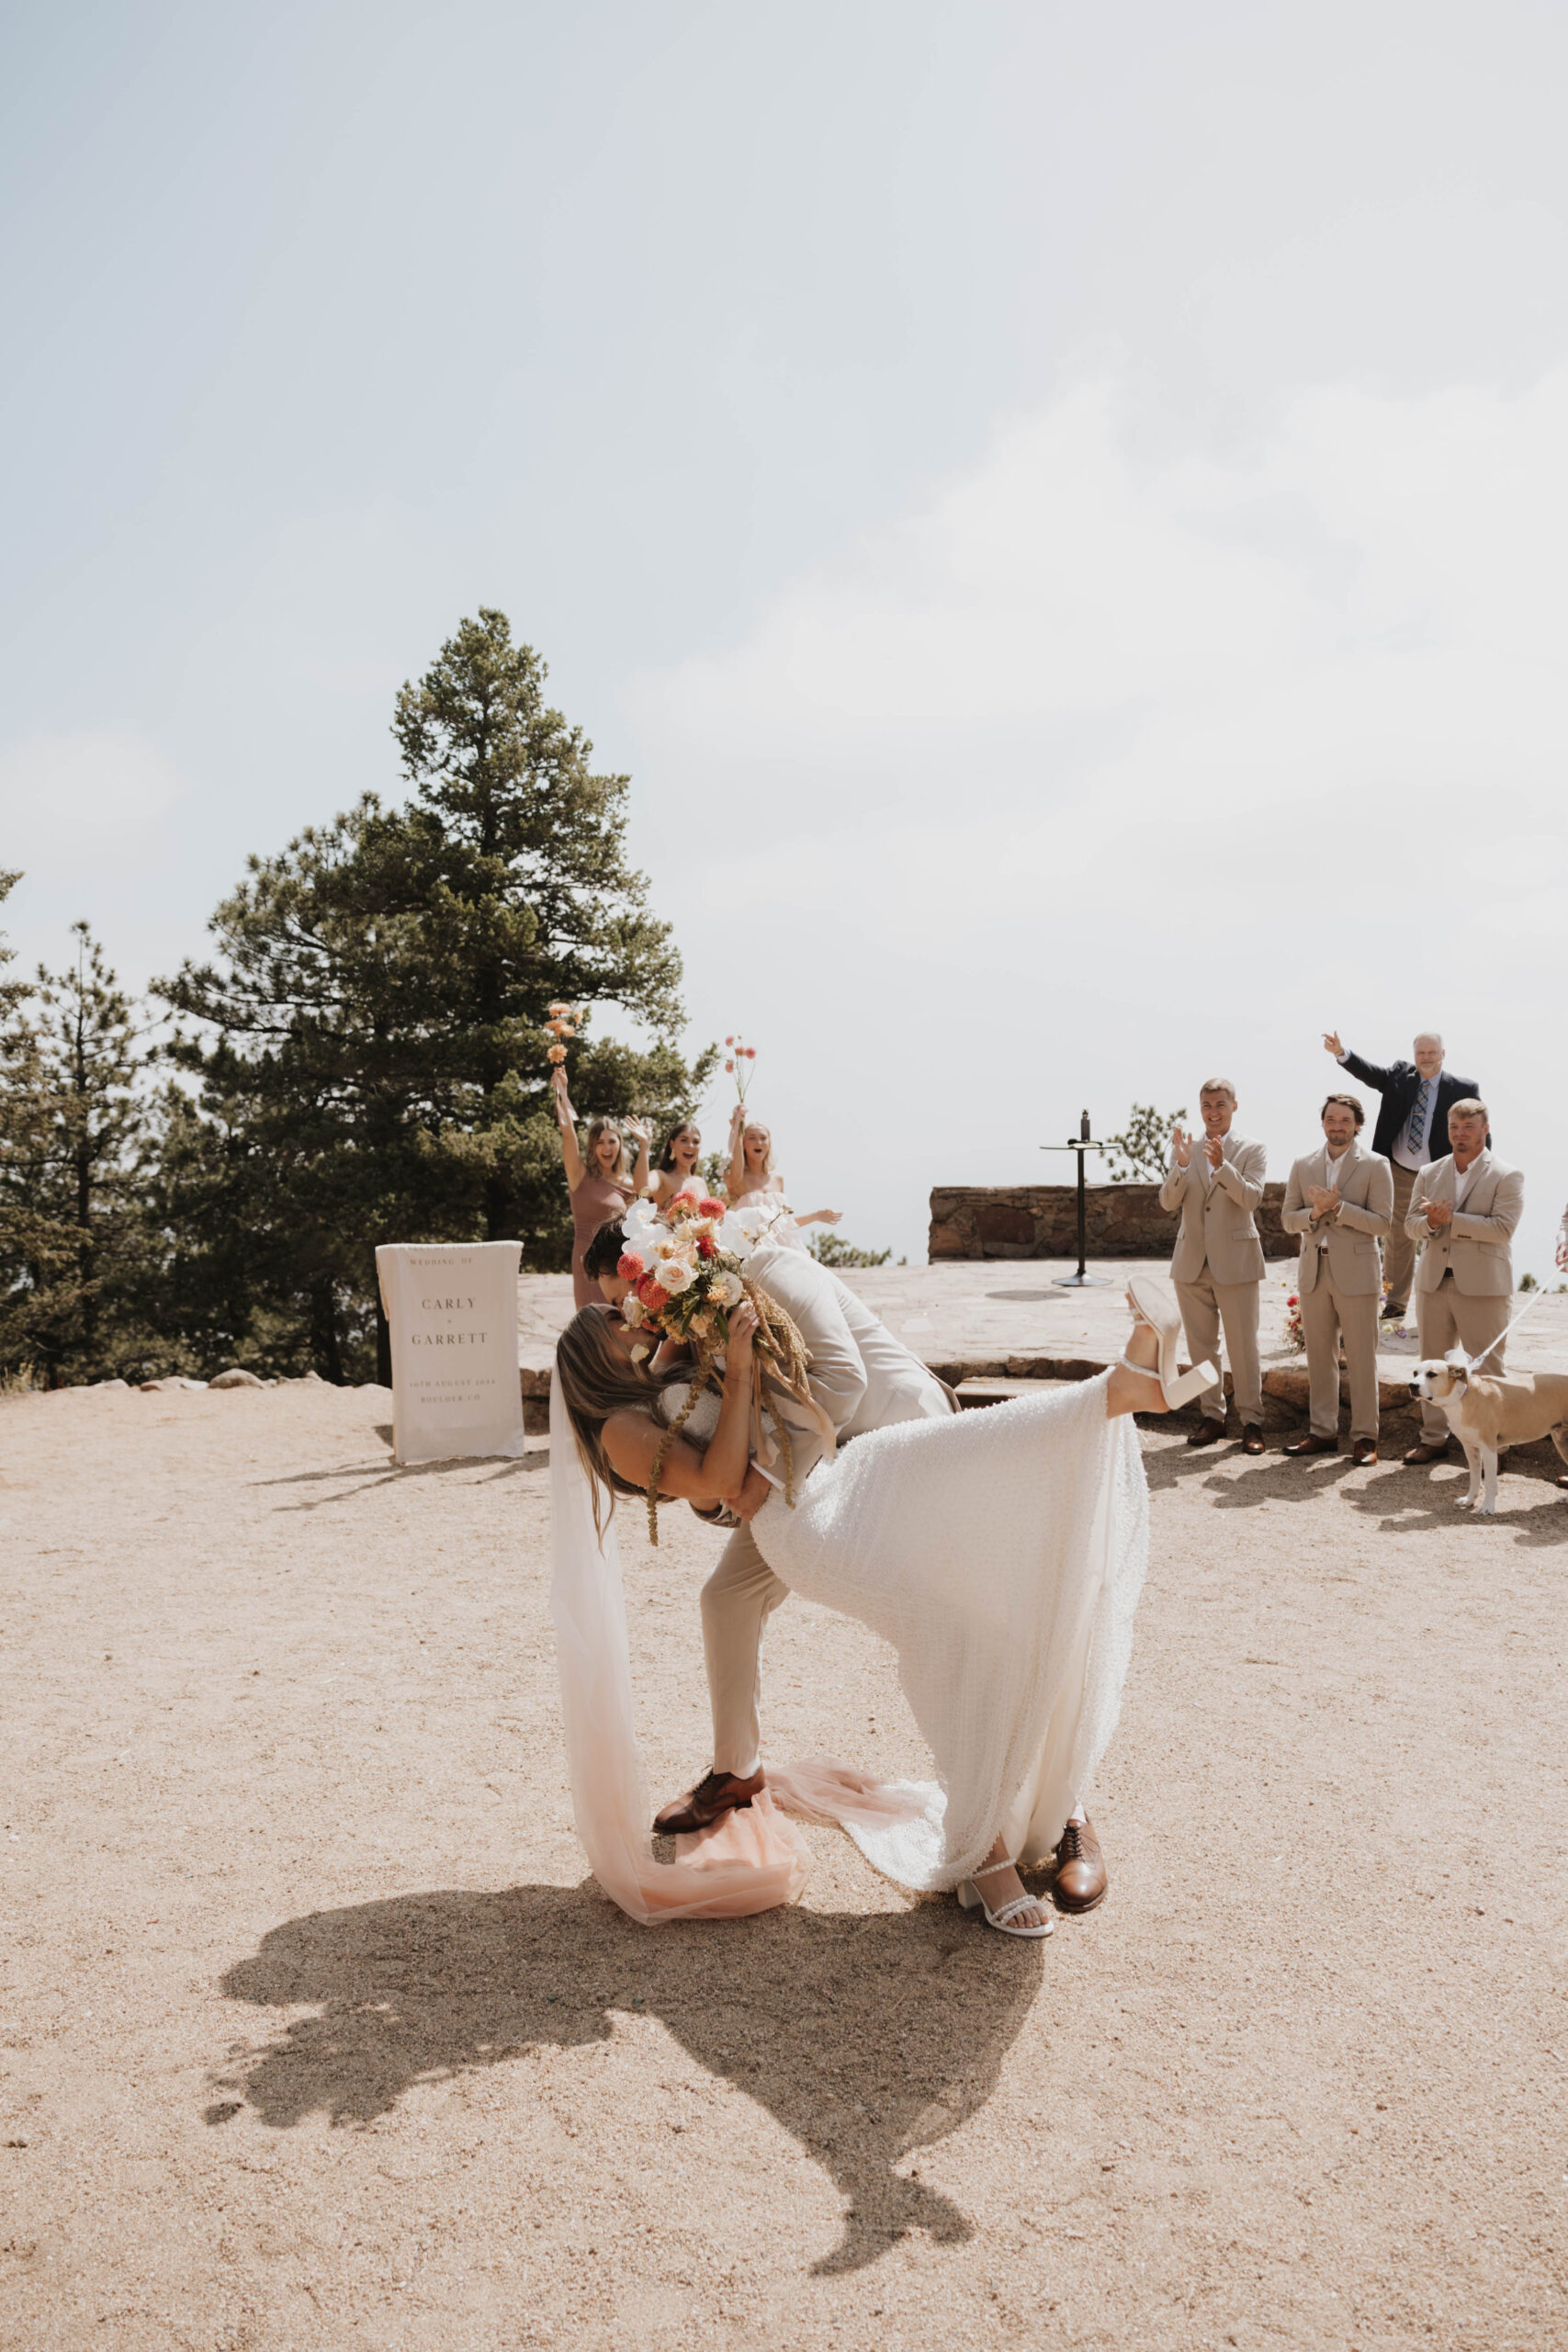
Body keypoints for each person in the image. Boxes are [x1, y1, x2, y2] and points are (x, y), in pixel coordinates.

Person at [554, 1234, 1205, 1938]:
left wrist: (732, 1396)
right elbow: (717, 1483)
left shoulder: (743, 1294)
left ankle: (1063, 1810)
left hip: (871, 1461)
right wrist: (734, 1403)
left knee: (990, 1615)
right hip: (816, 1508)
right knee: (805, 1611)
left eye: (631, 1300)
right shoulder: (645, 1398)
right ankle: (768, 1781)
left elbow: (830, 1392)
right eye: (622, 1314)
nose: (634, 1314)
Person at [1322, 1030, 1481, 1325]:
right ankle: (1395, 1302)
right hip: (1398, 1170)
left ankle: (1448, 1300)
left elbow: (1479, 1130)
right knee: (1398, 1235)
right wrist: (1341, 1053)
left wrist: (1479, 1171)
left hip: (1440, 1172)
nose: (1427, 1058)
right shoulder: (1399, 1076)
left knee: (1444, 1232)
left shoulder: (1463, 1088)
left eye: (1432, 1053)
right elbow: (1371, 1075)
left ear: (1443, 1054)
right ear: (1414, 1055)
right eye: (1421, 1053)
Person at [1404, 1100, 1524, 1464]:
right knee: (1430, 1368)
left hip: (1484, 1287)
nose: (1460, 1134)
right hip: (1433, 1283)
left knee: (1488, 1370)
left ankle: (1495, 1447)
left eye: (1468, 1127)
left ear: (1485, 1130)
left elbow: (1503, 1229)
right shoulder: (1428, 1172)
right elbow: (1411, 1226)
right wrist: (1433, 1224)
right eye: (1454, 1127)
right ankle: (1433, 1439)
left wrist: (1451, 1218)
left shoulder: (1507, 1174)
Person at [1280, 1094, 1393, 1464]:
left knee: (1361, 1358)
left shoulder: (1376, 1165)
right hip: (1314, 1271)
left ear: (1358, 1125)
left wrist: (1339, 1208)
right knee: (1318, 1358)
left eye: (1345, 1120)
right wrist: (1314, 1213)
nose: (1337, 1126)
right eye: (1331, 1119)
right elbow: (1287, 1219)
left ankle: (1365, 1438)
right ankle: (1322, 1432)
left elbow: (1382, 1223)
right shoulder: (1303, 1164)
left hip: (1358, 1273)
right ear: (1323, 1122)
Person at [1158, 1079, 1268, 1453]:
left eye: (1220, 1104)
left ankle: (1252, 1422)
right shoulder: (1183, 1149)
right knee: (1201, 1347)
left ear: (1234, 1106)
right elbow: (1168, 1203)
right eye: (1206, 1105)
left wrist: (1222, 1167)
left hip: (1236, 1263)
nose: (1213, 1112)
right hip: (1191, 1264)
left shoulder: (1252, 1149)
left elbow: (1251, 1199)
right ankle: (1212, 1416)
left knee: (1243, 1347)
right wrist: (1183, 1165)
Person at [552, 1069, 650, 1310]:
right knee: (591, 1322)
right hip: (587, 1263)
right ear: (593, 1147)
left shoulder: (629, 1185)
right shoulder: (580, 1176)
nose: (606, 1148)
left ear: (619, 1144)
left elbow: (644, 1193)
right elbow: (567, 1134)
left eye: (611, 1141)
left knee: (621, 1323)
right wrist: (562, 1091)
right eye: (600, 1142)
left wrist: (645, 1146)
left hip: (618, 1265)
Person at [721, 1107, 843, 1249]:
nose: (758, 1143)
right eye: (752, 1138)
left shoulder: (777, 1180)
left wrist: (816, 1216)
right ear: (743, 1144)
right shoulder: (737, 1179)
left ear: (769, 1143)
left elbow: (785, 1224)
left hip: (782, 1248)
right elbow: (736, 1170)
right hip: (750, 1249)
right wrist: (737, 1129)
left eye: (763, 1138)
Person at [648, 1121, 706, 1212]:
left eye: (696, 1142)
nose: (690, 1146)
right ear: (672, 1144)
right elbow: (642, 1189)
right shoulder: (660, 1176)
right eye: (684, 1140)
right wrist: (644, 1146)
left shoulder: (701, 1183)